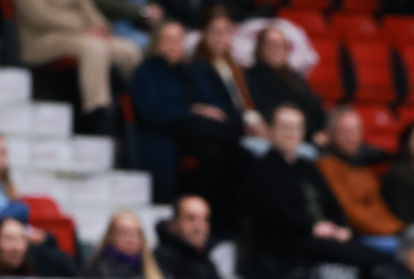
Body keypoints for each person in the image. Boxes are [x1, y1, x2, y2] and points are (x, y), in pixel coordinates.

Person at [242, 104, 383, 279]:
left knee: (375, 258)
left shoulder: (307, 166)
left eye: (297, 128)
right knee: (369, 260)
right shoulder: (262, 168)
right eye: (285, 127)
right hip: (289, 243)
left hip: (321, 236)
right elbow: (276, 212)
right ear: (271, 130)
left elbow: (331, 203)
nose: (291, 133)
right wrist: (313, 227)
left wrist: (340, 227)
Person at [131, 20, 234, 205]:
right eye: (167, 40)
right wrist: (191, 111)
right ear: (156, 43)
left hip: (189, 135)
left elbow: (206, 100)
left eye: (178, 40)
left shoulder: (187, 71)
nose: (173, 46)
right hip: (159, 134)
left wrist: (202, 111)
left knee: (226, 149)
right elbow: (153, 111)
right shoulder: (147, 71)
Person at [13, 0, 143, 134]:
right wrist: (82, 27)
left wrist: (100, 26)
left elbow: (88, 9)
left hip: (81, 34)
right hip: (43, 37)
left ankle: (130, 111)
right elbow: (37, 16)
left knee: (129, 51)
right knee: (94, 49)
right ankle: (97, 113)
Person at [185, 6, 259, 235]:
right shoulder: (198, 66)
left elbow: (245, 105)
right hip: (218, 134)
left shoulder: (236, 68)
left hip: (237, 130)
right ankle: (220, 226)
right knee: (221, 160)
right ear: (204, 34)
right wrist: (240, 118)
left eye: (225, 32)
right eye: (215, 31)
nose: (220, 37)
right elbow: (213, 105)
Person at [315, 106, 403, 255]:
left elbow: (378, 209)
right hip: (355, 237)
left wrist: (400, 228)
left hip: (382, 233)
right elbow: (350, 215)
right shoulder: (326, 166)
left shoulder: (362, 169)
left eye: (356, 131)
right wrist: (395, 230)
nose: (352, 138)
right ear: (330, 134)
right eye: (345, 132)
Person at [243, 24, 324, 141]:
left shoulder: (294, 78)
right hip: (275, 139)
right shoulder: (250, 77)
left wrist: (321, 131)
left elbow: (314, 107)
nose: (276, 50)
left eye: (282, 45)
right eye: (271, 44)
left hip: (306, 136)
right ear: (260, 48)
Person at [81, 210, 164, 279]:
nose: (131, 239)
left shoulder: (154, 268)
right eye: (124, 233)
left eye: (136, 233)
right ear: (111, 236)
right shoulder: (96, 270)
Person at [153, 194, 223, 279]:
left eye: (205, 219)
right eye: (191, 218)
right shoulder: (158, 261)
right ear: (173, 223)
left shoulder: (207, 263)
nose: (199, 227)